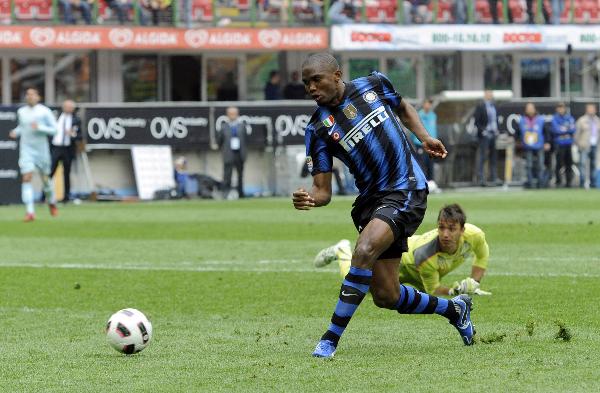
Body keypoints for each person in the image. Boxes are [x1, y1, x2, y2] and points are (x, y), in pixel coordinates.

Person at [293, 53, 473, 359]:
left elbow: (403, 107)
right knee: (386, 295)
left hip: (406, 188)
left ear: (337, 75)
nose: (311, 88)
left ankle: (329, 340)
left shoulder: (373, 85)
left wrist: (424, 137)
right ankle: (455, 309)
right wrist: (309, 198)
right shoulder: (317, 129)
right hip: (370, 202)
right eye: (305, 83)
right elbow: (323, 191)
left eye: (316, 80)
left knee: (362, 251)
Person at [315, 204, 491, 297]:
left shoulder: (475, 235)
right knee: (358, 284)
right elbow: (433, 290)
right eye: (441, 227)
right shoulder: (426, 255)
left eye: (451, 229)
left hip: (418, 269)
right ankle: (342, 251)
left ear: (462, 229)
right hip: (405, 262)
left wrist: (473, 283)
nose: (445, 234)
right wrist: (455, 291)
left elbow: (482, 256)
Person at [8, 87, 58, 222]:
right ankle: (30, 212)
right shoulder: (21, 112)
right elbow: (23, 127)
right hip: (26, 150)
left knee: (46, 180)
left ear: (38, 97)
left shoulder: (44, 111)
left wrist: (40, 127)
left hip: (42, 151)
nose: (30, 97)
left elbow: (55, 130)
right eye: (28, 95)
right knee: (27, 177)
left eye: (32, 94)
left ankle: (52, 201)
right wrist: (15, 132)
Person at [50, 99, 82, 203]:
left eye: (70, 107)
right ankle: (44, 196)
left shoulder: (76, 120)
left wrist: (72, 135)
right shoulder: (55, 116)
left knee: (67, 173)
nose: (68, 109)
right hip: (56, 147)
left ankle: (66, 197)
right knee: (50, 171)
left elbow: (80, 136)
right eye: (67, 106)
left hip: (68, 148)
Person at [217, 106, 249, 199]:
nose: (232, 116)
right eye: (230, 114)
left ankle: (241, 193)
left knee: (240, 175)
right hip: (228, 154)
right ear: (227, 115)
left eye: (234, 114)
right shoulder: (224, 127)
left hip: (239, 153)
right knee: (227, 175)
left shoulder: (242, 126)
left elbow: (246, 140)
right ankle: (225, 193)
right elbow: (220, 141)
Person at [473, 90, 499, 186]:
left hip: (493, 134)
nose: (490, 96)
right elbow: (476, 121)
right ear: (485, 95)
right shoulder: (480, 106)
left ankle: (493, 177)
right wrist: (483, 131)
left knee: (493, 157)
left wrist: (496, 130)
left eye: (491, 94)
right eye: (488, 94)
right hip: (485, 135)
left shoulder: (494, 106)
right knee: (483, 157)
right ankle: (481, 178)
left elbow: (495, 120)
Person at [519, 102, 546, 188]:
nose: (530, 110)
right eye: (528, 108)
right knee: (529, 165)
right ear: (526, 110)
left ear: (534, 109)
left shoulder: (540, 119)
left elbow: (546, 132)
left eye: (531, 108)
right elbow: (518, 133)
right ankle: (530, 183)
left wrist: (547, 142)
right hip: (527, 146)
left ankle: (541, 183)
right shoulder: (522, 120)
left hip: (539, 145)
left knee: (540, 165)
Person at [575, 103, 600, 188]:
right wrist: (578, 144)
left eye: (592, 109)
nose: (591, 110)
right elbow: (576, 134)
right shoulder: (581, 120)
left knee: (593, 165)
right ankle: (582, 183)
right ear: (586, 110)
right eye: (589, 109)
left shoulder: (597, 120)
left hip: (595, 146)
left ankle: (593, 183)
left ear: (595, 110)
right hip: (584, 145)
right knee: (582, 164)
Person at [550, 102, 575, 187]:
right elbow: (556, 130)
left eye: (562, 107)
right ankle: (558, 181)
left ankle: (569, 182)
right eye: (559, 107)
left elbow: (572, 129)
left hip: (568, 143)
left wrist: (563, 129)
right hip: (559, 144)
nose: (561, 109)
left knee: (569, 163)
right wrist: (565, 129)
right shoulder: (554, 118)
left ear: (565, 108)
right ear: (557, 109)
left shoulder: (569, 118)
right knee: (559, 164)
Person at [414, 98, 437, 181]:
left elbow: (433, 129)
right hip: (421, 144)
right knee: (422, 163)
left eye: (430, 104)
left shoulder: (433, 115)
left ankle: (431, 182)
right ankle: (422, 182)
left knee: (431, 163)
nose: (428, 105)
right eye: (427, 103)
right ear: (424, 104)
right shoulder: (418, 115)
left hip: (432, 145)